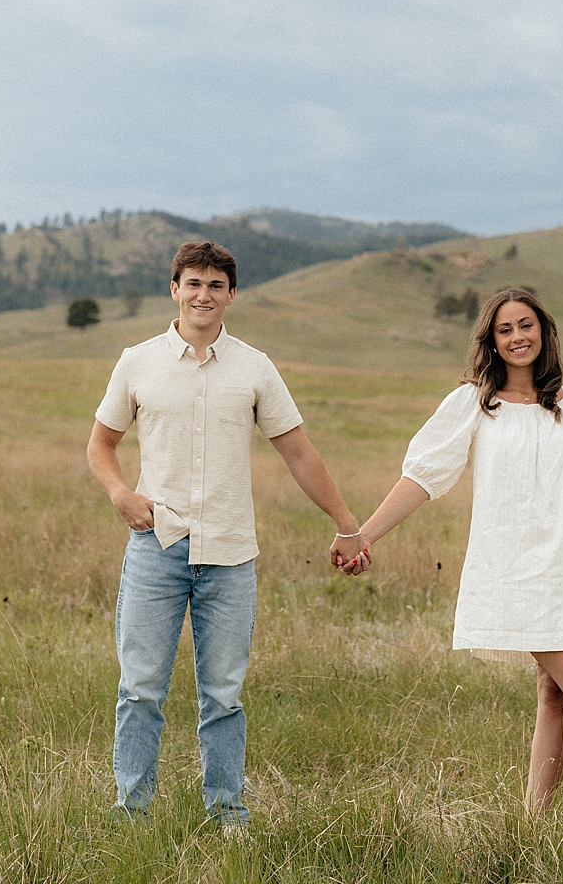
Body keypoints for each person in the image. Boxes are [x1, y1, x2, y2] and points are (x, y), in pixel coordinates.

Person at [87, 240, 365, 827]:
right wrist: (120, 493)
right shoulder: (136, 362)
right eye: (193, 283)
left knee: (224, 696)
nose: (203, 295)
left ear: (231, 295)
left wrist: (346, 523)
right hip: (155, 549)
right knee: (139, 689)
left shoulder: (255, 368)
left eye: (215, 285)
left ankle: (226, 815)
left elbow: (298, 452)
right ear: (174, 289)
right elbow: (101, 445)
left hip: (231, 555)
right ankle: (130, 812)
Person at [342, 287, 563, 824]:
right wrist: (366, 534)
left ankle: (533, 826)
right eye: (505, 330)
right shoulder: (475, 404)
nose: (518, 337)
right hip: (513, 570)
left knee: (556, 692)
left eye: (526, 325)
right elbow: (422, 476)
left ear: (544, 330)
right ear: (491, 342)